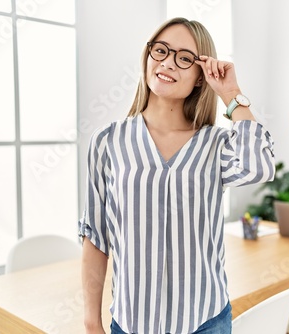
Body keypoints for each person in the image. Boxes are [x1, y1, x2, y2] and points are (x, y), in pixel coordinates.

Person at [78, 17, 275, 334]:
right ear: (148, 56)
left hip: (205, 321)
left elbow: (260, 166)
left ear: (200, 76)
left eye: (185, 58)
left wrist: (232, 93)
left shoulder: (216, 143)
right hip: (130, 325)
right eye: (161, 51)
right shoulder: (108, 141)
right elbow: (96, 236)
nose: (168, 62)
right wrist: (91, 322)